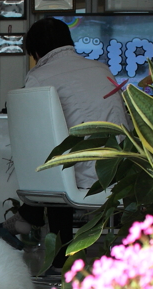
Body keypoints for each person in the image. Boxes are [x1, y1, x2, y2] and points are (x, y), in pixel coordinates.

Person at [16, 16, 131, 260]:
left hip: (74, 178)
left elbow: (37, 134)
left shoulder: (38, 76)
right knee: (65, 160)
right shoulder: (101, 68)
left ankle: (59, 255)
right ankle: (32, 219)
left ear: (36, 51)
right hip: (117, 171)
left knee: (52, 163)